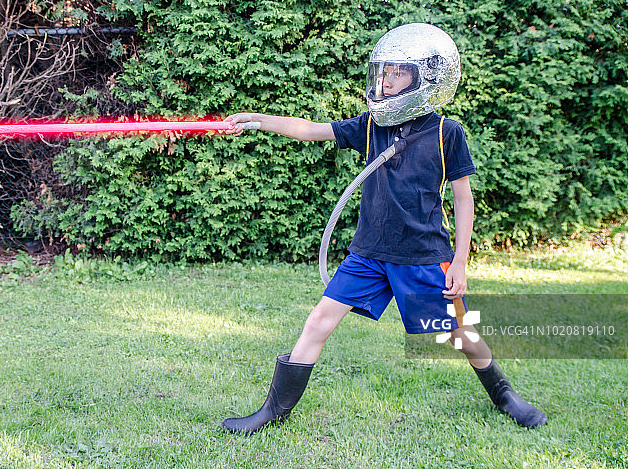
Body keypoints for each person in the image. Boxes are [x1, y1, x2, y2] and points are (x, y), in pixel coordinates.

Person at [220, 23, 547, 434]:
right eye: (385, 72)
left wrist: (461, 262)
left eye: (399, 73)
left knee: (459, 334)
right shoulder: (372, 125)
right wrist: (259, 120)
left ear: (427, 77)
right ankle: (273, 411)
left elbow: (464, 199)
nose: (387, 81)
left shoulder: (447, 133)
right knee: (318, 321)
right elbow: (313, 130)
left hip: (423, 256)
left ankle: (504, 395)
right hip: (369, 253)